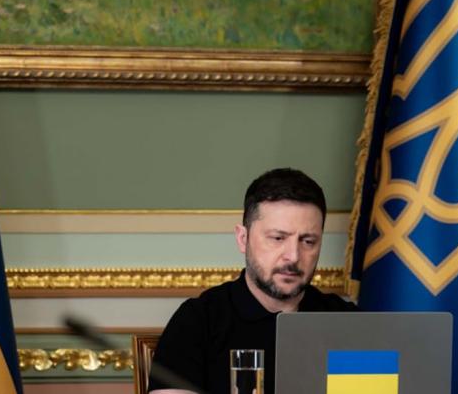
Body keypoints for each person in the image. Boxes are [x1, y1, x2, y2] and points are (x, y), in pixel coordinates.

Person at [148, 168, 357, 394]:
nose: (293, 256)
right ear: (243, 238)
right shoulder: (197, 321)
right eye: (278, 238)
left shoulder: (349, 323)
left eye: (308, 241)